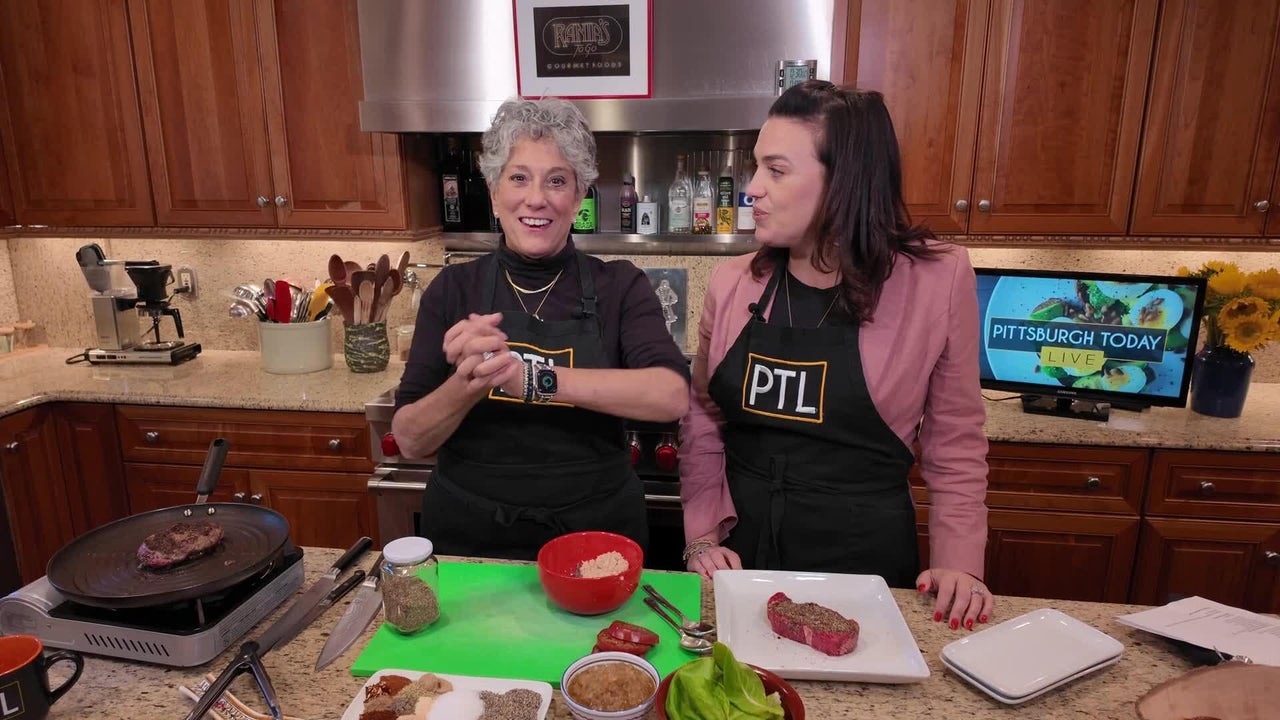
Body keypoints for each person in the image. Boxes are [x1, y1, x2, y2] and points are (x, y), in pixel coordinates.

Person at [679, 81, 992, 630]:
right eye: (756, 167)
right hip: (742, 556)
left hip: (864, 562)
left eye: (776, 170)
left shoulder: (937, 280)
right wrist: (702, 535)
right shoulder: (733, 282)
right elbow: (704, 417)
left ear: (844, 180)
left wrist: (959, 564)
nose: (752, 189)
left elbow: (955, 439)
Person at [392, 98, 690, 560]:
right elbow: (411, 440)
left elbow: (670, 394)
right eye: (518, 178)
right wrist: (470, 382)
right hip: (471, 540)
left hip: (596, 542)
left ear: (578, 195)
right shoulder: (452, 290)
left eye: (557, 180)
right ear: (493, 192)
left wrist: (531, 379)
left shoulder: (620, 286)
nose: (536, 199)